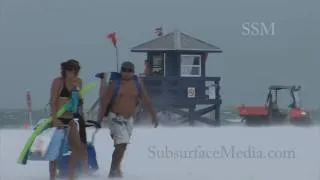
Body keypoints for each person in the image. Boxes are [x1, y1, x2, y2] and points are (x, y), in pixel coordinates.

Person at [97, 61, 158, 178]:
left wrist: (154, 115)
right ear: (121, 71)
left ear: (133, 71)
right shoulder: (115, 84)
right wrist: (99, 120)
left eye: (130, 70)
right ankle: (112, 172)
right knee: (121, 144)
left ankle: (117, 168)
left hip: (129, 119)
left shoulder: (137, 84)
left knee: (122, 146)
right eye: (124, 70)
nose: (127, 73)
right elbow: (104, 103)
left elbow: (146, 99)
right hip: (115, 117)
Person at [49, 59, 88, 180]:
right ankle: (52, 177)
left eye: (75, 70)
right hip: (58, 118)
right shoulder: (58, 82)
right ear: (64, 70)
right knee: (55, 151)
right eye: (69, 70)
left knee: (77, 147)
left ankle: (71, 176)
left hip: (70, 119)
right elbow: (53, 102)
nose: (72, 73)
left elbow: (78, 102)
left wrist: (78, 93)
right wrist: (55, 119)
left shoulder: (79, 82)